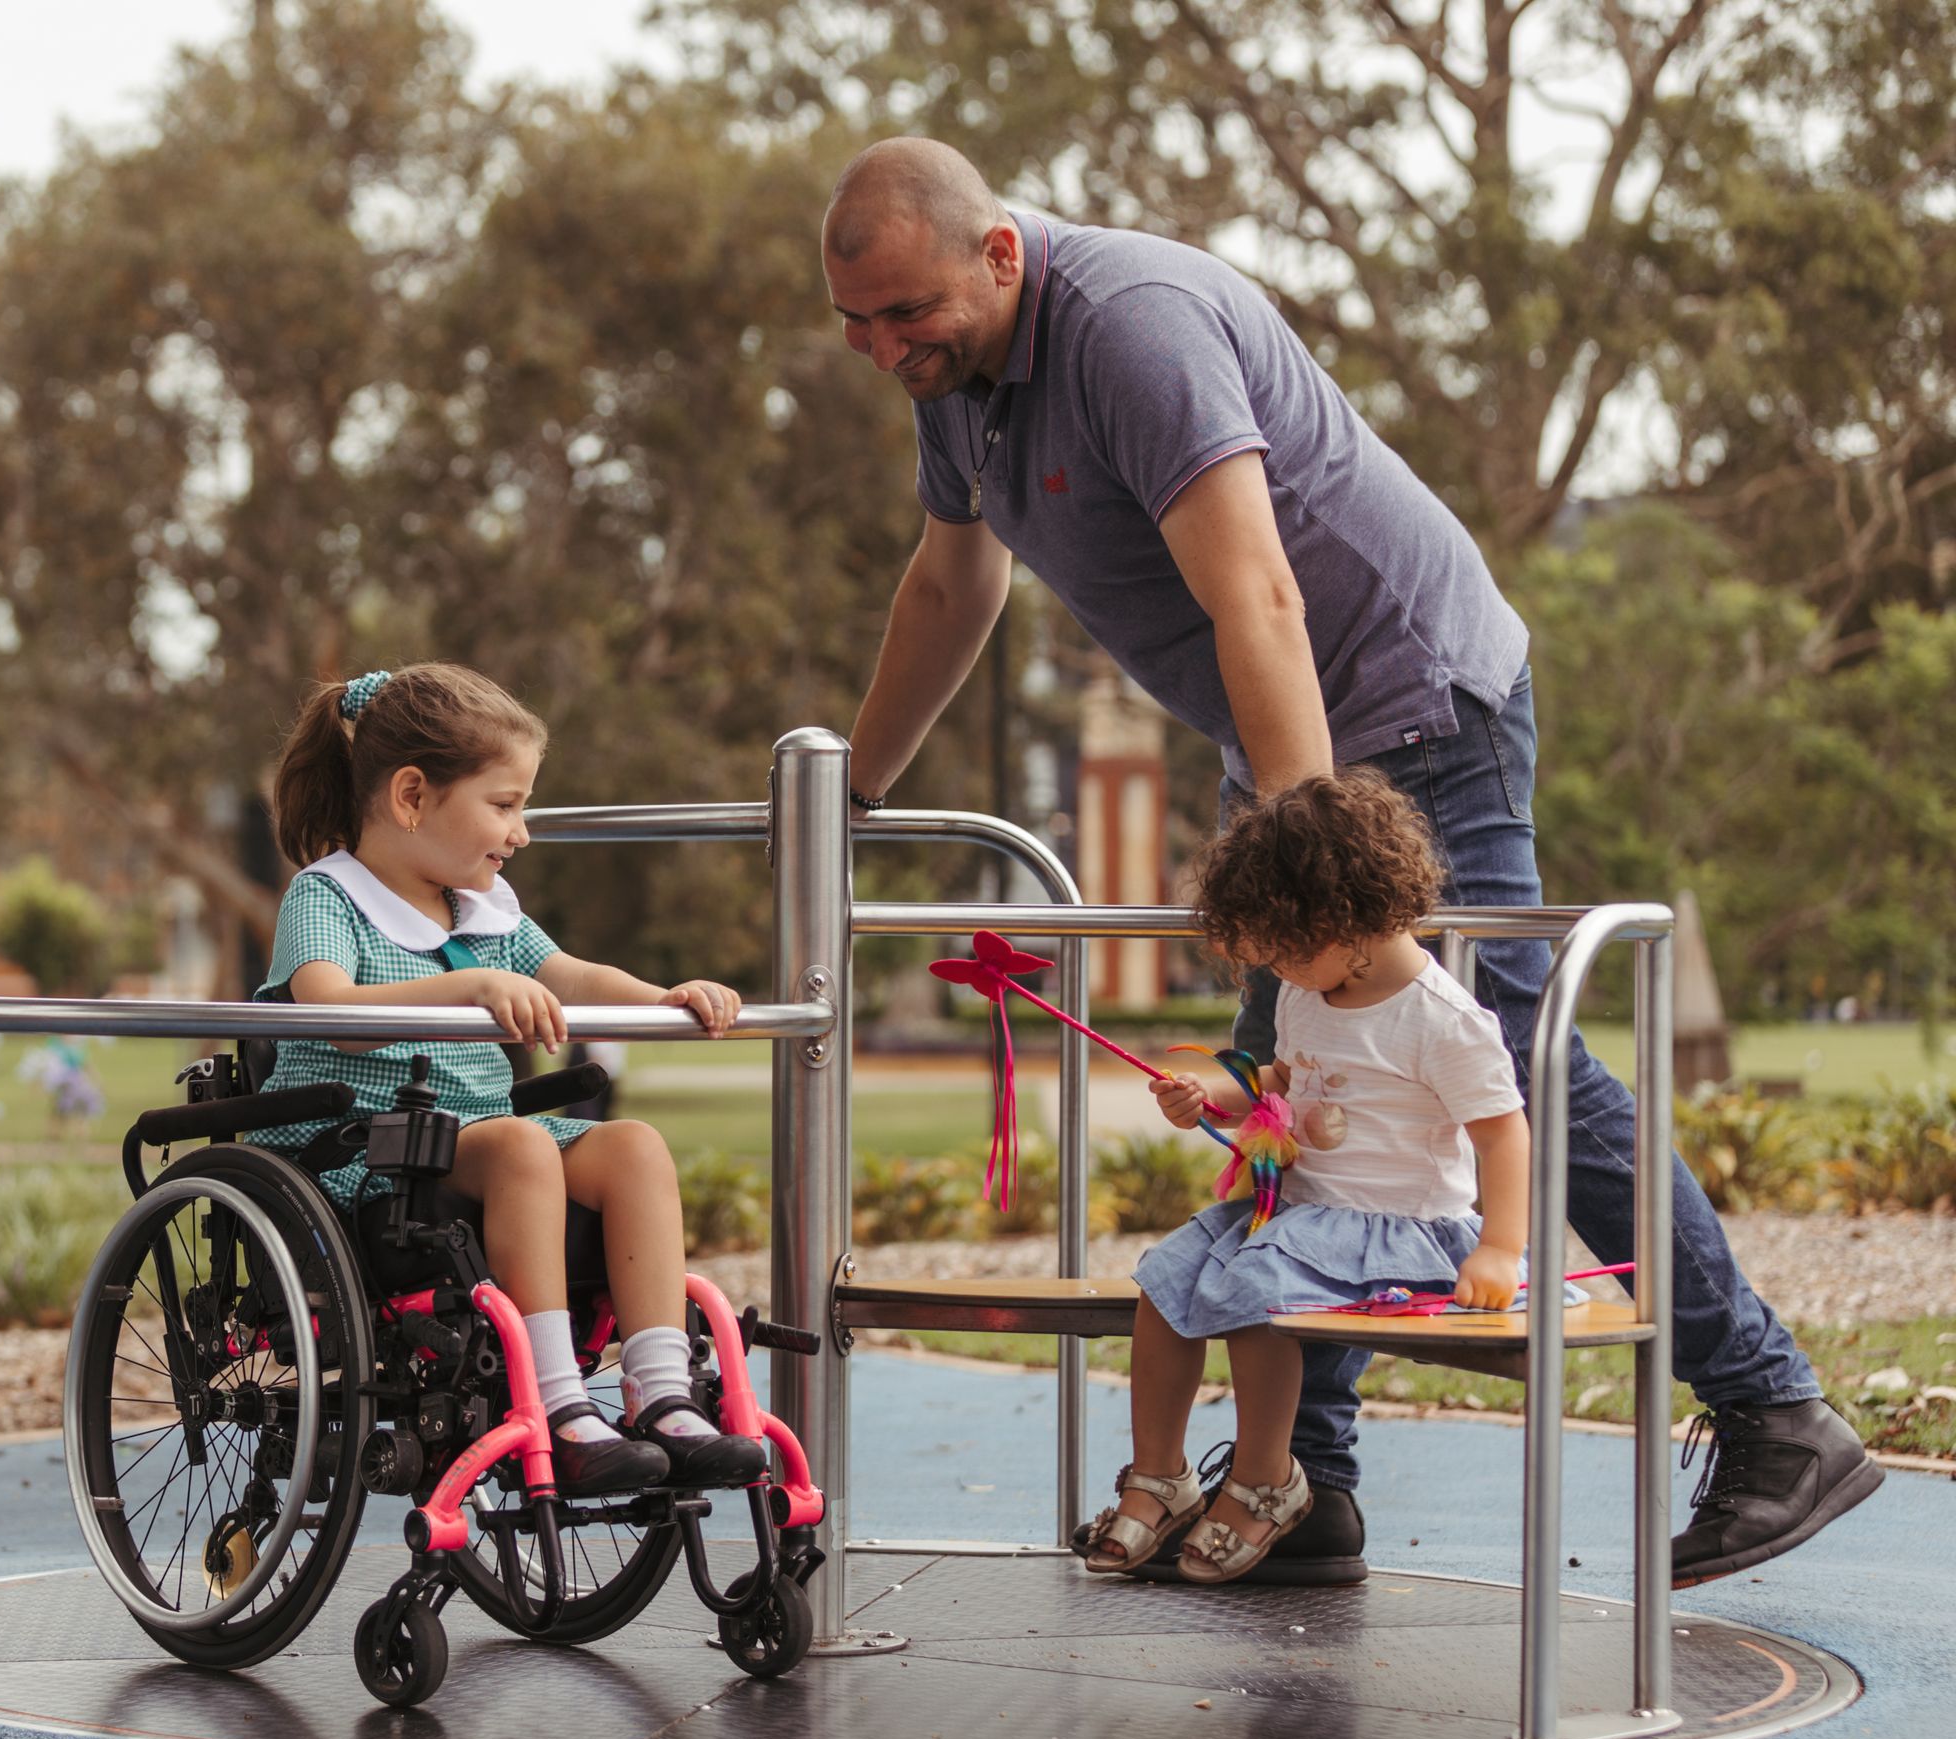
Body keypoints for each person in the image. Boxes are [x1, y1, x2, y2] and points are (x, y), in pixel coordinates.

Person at [822, 136, 1878, 1586]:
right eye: (857, 325)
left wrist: (1310, 857)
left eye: (907, 316)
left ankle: (1774, 1412)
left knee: (1501, 1046)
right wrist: (855, 795)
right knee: (1287, 1097)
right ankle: (1303, 1487)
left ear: (999, 254)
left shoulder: (1130, 328)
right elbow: (954, 580)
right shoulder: (964, 386)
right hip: (1284, 743)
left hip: (1410, 704)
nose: (885, 350)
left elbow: (1257, 585)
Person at [256, 663, 766, 1493]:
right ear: (412, 796)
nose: (520, 832)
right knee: (525, 1147)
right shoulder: (329, 897)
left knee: (633, 1145)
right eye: (505, 805)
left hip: (474, 1139)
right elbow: (331, 1009)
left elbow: (573, 975)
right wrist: (470, 986)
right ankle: (560, 1406)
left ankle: (662, 1393)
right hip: (363, 1153)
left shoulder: (483, 907)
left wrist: (664, 994)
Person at [1088, 775, 1527, 1582]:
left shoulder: (1441, 1019)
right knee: (1164, 1282)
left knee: (1259, 1294)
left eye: (1285, 947)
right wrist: (1214, 1096)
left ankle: (1266, 1481)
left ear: (1345, 919)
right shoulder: (1308, 987)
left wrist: (1500, 1247)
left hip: (1401, 1229)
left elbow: (1504, 1134)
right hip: (1302, 1213)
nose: (1277, 968)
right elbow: (1285, 1079)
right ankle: (1162, 1473)